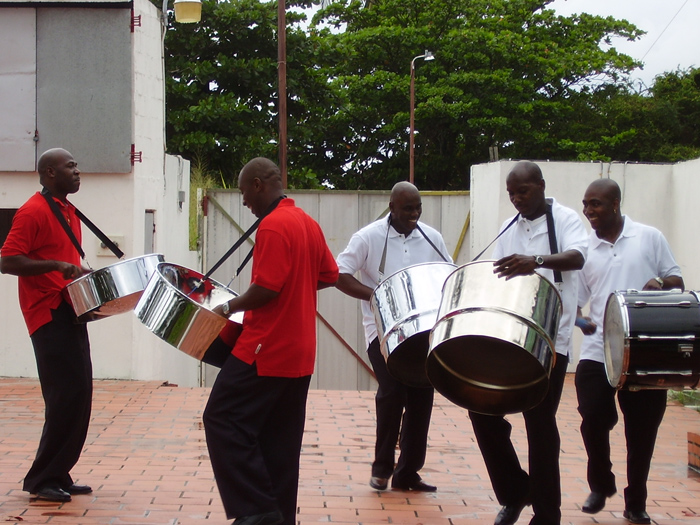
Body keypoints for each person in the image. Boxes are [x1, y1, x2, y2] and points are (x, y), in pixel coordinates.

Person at [203, 157, 339, 525]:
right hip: (300, 353)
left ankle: (257, 510)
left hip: (266, 348)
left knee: (221, 418)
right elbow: (328, 274)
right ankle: (278, 516)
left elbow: (265, 288)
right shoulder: (307, 223)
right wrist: (297, 286)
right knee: (279, 442)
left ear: (259, 184)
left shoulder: (274, 225)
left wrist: (227, 306)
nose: (243, 199)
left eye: (244, 190)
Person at [469, 161, 588, 525]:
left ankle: (547, 513)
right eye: (511, 193)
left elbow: (577, 256)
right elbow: (500, 274)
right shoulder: (509, 227)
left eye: (523, 191)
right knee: (482, 409)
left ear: (540, 185)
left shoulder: (566, 219)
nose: (516, 199)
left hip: (553, 340)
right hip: (512, 336)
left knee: (539, 423)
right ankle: (515, 491)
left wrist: (533, 261)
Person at [575, 178, 683, 525]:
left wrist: (660, 283)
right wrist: (581, 322)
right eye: (586, 204)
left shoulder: (649, 237)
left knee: (641, 431)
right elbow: (574, 304)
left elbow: (676, 281)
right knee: (592, 416)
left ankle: (635, 502)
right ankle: (600, 483)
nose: (588, 211)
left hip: (646, 350)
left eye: (596, 204)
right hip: (597, 351)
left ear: (616, 204)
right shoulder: (583, 248)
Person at [335, 181, 452, 492]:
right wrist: (376, 295)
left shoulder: (432, 238)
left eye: (418, 208)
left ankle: (408, 473)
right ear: (392, 208)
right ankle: (382, 467)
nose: (414, 214)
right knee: (392, 393)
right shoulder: (369, 237)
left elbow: (449, 275)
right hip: (382, 332)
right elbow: (338, 273)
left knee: (422, 397)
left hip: (423, 333)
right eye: (407, 209)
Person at [0, 148, 94, 502]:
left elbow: (64, 260)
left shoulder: (68, 211)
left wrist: (74, 271)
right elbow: (8, 261)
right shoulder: (33, 211)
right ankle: (42, 479)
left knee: (79, 393)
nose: (77, 170)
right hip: (47, 311)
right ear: (50, 172)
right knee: (63, 396)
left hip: (70, 309)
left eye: (76, 164)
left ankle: (59, 471)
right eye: (70, 166)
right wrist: (55, 265)